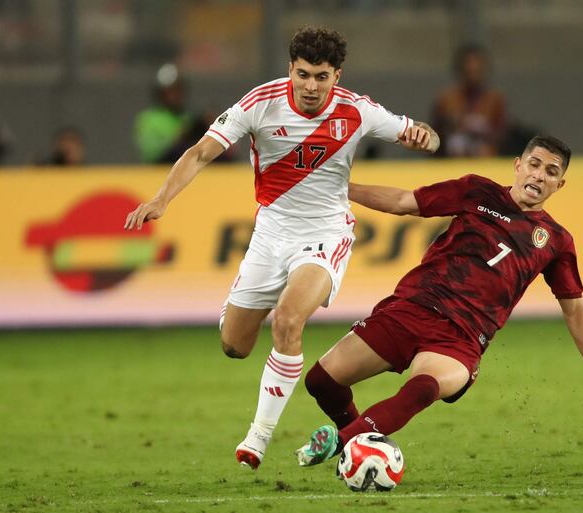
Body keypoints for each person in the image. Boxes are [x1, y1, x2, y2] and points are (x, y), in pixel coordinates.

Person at [123, 27, 440, 470]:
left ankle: (258, 437)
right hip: (271, 234)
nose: (311, 87)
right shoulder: (260, 103)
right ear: (290, 69)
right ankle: (240, 306)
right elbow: (198, 153)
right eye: (304, 75)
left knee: (289, 320)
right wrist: (161, 199)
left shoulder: (357, 110)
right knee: (234, 345)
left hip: (326, 232)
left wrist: (425, 135)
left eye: (322, 77)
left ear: (337, 75)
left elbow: (422, 134)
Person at [295, 135, 583, 467]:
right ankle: (362, 445)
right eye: (534, 164)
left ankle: (341, 442)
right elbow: (403, 202)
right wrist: (341, 188)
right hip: (413, 307)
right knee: (321, 381)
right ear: (518, 166)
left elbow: (574, 307)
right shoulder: (477, 191)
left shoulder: (556, 241)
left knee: (422, 388)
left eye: (551, 172)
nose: (539, 175)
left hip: (461, 337)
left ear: (559, 184)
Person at [431, 44, 508, 158]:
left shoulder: (495, 100)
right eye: (469, 71)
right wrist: (453, 125)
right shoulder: (446, 99)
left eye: (477, 70)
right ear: (461, 71)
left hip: (487, 162)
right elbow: (434, 135)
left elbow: (503, 134)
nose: (473, 74)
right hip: (452, 162)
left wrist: (482, 131)